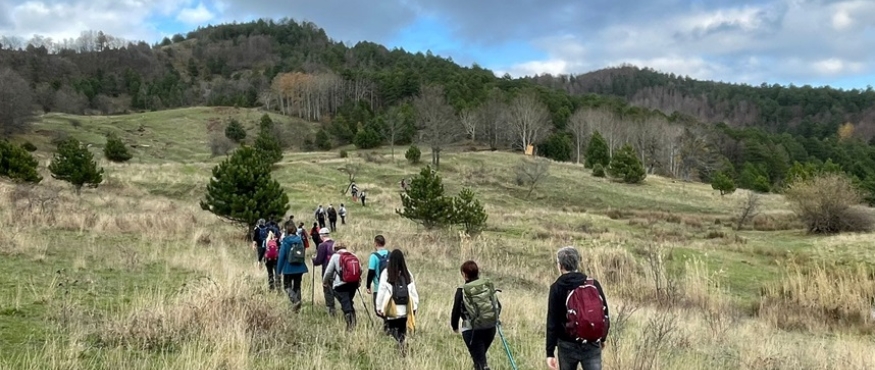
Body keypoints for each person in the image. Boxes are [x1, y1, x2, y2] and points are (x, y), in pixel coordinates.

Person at [546, 247, 610, 370]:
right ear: (577, 263)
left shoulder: (556, 288)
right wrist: (602, 338)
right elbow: (604, 312)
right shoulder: (593, 284)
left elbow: (552, 322)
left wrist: (550, 353)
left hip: (566, 345)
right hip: (591, 342)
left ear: (560, 266)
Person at [451, 260, 497, 370]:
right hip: (490, 327)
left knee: (480, 362)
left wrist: (455, 326)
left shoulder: (462, 290)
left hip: (472, 330)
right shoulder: (486, 286)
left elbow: (456, 311)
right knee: (479, 358)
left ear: (465, 275)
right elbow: (497, 305)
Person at [376, 249, 419, 354]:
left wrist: (379, 307)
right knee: (402, 329)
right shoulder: (407, 273)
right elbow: (413, 291)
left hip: (392, 309)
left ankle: (400, 346)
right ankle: (402, 346)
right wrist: (414, 307)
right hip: (405, 309)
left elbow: (381, 291)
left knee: (392, 329)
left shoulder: (386, 273)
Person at [322, 241, 361, 330]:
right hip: (353, 284)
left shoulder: (335, 256)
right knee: (348, 301)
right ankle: (353, 322)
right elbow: (360, 269)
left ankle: (350, 326)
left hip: (340, 284)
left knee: (345, 303)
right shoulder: (353, 255)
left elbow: (328, 272)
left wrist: (324, 281)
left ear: (335, 249)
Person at [277, 225, 309, 312]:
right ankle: (297, 308)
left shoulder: (286, 241)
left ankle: (296, 301)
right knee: (297, 286)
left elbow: (281, 257)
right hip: (300, 267)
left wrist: (278, 270)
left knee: (287, 286)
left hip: (288, 268)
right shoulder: (300, 241)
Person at [367, 235, 391, 332]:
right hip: (390, 286)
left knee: (378, 309)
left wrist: (368, 286)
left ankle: (388, 325)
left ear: (375, 243)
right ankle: (388, 325)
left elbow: (371, 272)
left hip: (378, 287)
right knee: (388, 307)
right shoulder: (390, 254)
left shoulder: (373, 256)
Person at [312, 228, 336, 316]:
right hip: (337, 272)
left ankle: (331, 311)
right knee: (336, 291)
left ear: (321, 236)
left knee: (328, 291)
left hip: (327, 272)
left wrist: (313, 259)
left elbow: (318, 261)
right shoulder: (335, 244)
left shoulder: (322, 245)